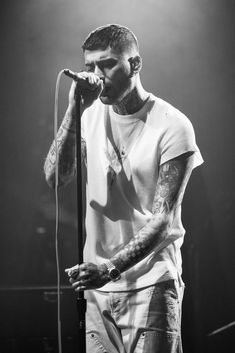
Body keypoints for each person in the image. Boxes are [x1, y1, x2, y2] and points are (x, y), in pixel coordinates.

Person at [44, 24, 203, 353]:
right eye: (90, 66)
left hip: (151, 282)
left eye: (107, 64)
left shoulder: (172, 125)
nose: (98, 74)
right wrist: (75, 108)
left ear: (135, 64)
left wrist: (109, 268)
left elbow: (163, 220)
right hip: (98, 290)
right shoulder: (88, 116)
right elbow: (55, 177)